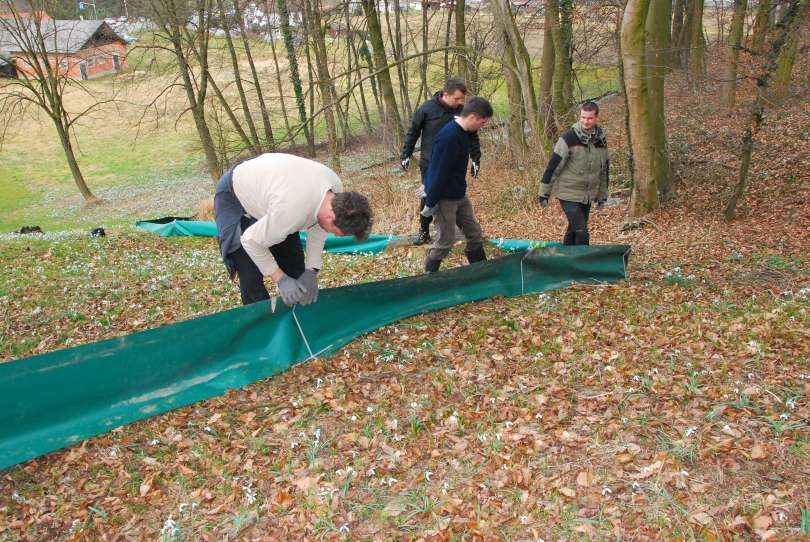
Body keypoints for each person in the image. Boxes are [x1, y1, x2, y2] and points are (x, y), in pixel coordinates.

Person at [214, 153, 373, 306]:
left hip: (276, 195)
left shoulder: (334, 189)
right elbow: (250, 240)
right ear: (331, 216)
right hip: (234, 195)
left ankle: (298, 320)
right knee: (250, 274)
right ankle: (263, 327)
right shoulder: (291, 211)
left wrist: (311, 269)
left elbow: (319, 229)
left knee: (295, 266)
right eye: (336, 232)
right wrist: (280, 279)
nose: (334, 235)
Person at [401, 78, 482, 246]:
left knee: (456, 195)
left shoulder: (462, 111)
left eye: (462, 99)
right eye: (457, 98)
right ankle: (424, 231)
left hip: (455, 163)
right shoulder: (427, 109)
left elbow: (472, 134)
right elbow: (413, 131)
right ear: (445, 94)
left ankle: (464, 232)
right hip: (430, 162)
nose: (461, 102)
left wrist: (476, 158)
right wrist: (406, 154)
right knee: (429, 193)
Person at [421, 97, 493, 273]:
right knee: (445, 242)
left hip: (459, 195)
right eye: (483, 122)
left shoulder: (464, 132)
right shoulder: (449, 137)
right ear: (474, 117)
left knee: (474, 234)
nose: (482, 126)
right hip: (444, 198)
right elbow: (437, 171)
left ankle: (481, 273)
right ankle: (427, 280)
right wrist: (430, 202)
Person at [538, 101, 609, 246]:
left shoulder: (601, 141)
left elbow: (604, 170)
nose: (585, 121)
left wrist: (602, 196)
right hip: (568, 194)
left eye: (589, 118)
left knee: (573, 232)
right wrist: (544, 192)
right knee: (582, 233)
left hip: (587, 195)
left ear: (596, 118)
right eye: (582, 117)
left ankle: (565, 261)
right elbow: (553, 167)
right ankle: (584, 265)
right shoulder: (568, 138)